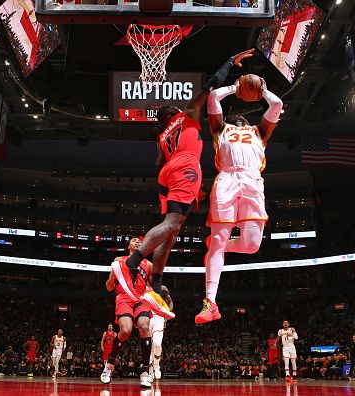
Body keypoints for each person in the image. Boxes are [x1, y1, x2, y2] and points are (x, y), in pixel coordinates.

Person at [112, 49, 256, 320]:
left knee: (171, 232)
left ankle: (155, 286)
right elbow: (210, 84)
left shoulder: (164, 135)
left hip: (168, 174)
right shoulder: (187, 113)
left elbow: (157, 166)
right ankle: (132, 264)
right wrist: (229, 63)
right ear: (175, 112)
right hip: (185, 167)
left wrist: (167, 189)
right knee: (171, 226)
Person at [195, 74, 282, 324]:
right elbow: (213, 97)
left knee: (252, 245)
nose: (239, 120)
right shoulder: (221, 129)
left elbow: (276, 105)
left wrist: (263, 90)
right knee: (219, 240)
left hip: (253, 181)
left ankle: (219, 245)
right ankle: (210, 302)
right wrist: (235, 88)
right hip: (227, 180)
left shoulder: (260, 131)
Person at [101, 237, 154, 388]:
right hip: (124, 298)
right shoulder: (119, 260)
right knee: (125, 330)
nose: (138, 242)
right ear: (128, 245)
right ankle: (110, 364)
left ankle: (145, 371)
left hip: (141, 299)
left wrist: (152, 293)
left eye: (140, 241)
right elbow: (109, 287)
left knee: (144, 326)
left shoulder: (148, 264)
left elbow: (152, 285)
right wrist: (112, 279)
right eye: (134, 240)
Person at [149, 286, 173, 381]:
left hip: (159, 318)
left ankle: (157, 366)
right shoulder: (147, 289)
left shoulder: (163, 288)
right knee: (150, 347)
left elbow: (170, 303)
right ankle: (150, 370)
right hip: (148, 317)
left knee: (157, 344)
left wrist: (166, 315)